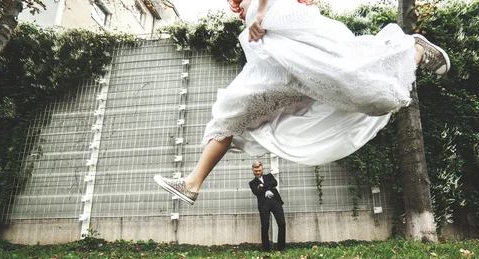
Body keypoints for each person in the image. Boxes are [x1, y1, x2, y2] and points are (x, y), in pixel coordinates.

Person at [154, 0, 450, 205]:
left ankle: (412, 49)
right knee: (228, 115)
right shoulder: (251, 16)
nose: (236, 7)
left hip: (279, 30)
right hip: (273, 59)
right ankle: (192, 184)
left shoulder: (263, 11)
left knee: (352, 77)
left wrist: (260, 14)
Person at [249, 161, 286, 252]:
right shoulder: (252, 183)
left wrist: (262, 186)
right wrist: (268, 186)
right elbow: (257, 192)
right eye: (256, 171)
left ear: (262, 169)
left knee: (282, 223)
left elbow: (274, 183)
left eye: (259, 170)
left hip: (275, 202)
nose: (258, 172)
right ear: (252, 170)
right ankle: (266, 248)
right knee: (265, 226)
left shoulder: (269, 176)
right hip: (264, 204)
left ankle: (281, 247)